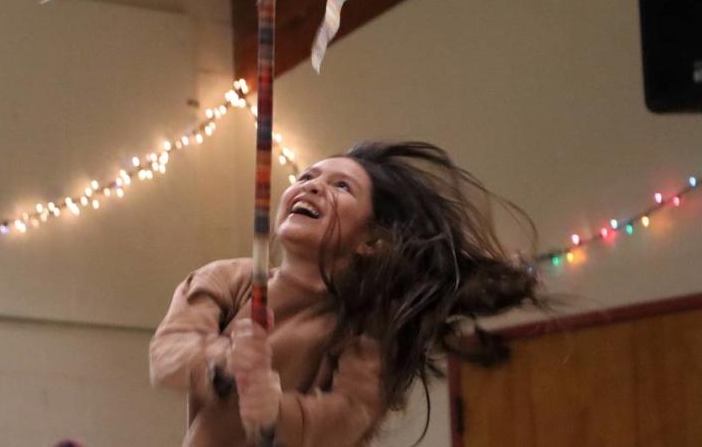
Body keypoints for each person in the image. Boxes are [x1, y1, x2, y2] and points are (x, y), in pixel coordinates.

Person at [150, 141, 540, 446]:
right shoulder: (225, 279)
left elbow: (350, 416)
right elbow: (169, 352)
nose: (312, 186)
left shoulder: (366, 322)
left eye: (341, 186)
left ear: (371, 240)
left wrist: (275, 412)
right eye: (305, 177)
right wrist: (226, 365)